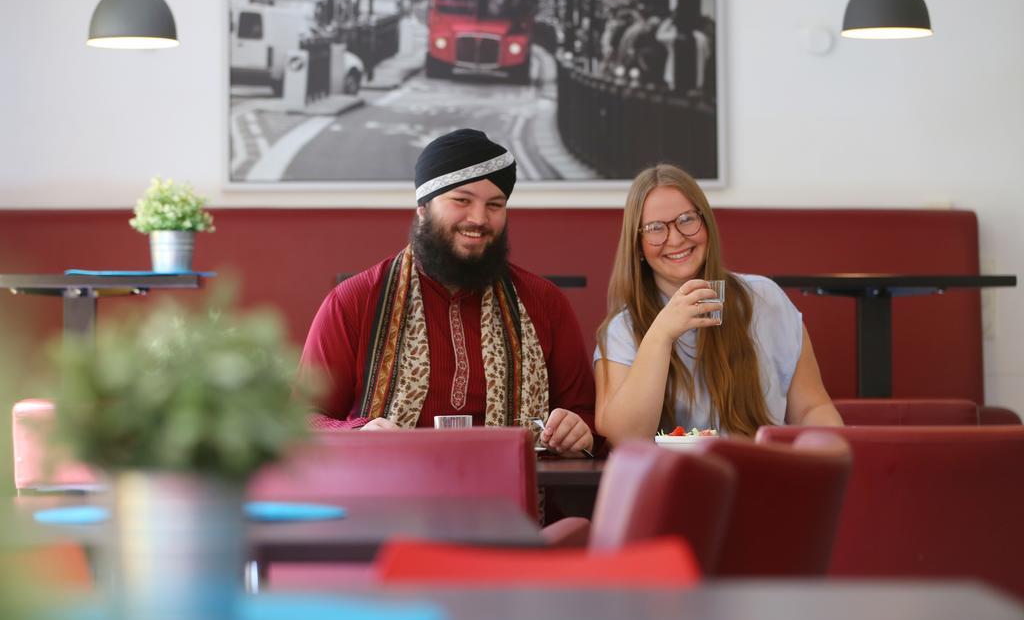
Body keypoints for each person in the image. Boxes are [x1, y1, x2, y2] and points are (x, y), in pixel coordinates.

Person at [301, 128, 595, 456]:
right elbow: (299, 421)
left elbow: (586, 415)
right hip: (389, 497)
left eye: (495, 205)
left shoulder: (545, 302)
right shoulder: (353, 301)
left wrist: (577, 430)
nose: (479, 218)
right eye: (461, 201)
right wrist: (357, 432)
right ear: (423, 208)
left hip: (510, 500)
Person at [594, 164, 842, 442]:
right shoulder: (622, 329)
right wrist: (661, 334)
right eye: (655, 228)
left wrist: (832, 452)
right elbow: (625, 436)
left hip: (766, 471)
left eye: (687, 219)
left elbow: (812, 407)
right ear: (638, 245)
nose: (675, 239)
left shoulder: (766, 299)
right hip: (679, 479)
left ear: (707, 224)